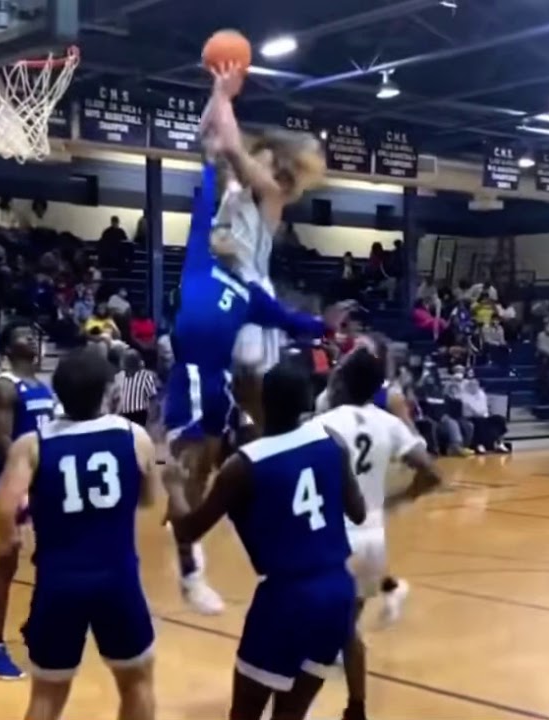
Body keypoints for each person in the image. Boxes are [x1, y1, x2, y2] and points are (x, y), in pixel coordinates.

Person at [162, 158, 344, 615]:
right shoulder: (199, 263)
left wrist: (325, 326)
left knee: (252, 461)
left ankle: (259, 543)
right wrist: (212, 159)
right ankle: (190, 570)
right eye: (222, 227)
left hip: (219, 386)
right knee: (191, 470)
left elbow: (291, 319)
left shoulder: (249, 295)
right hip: (191, 382)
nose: (226, 230)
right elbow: (206, 199)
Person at [164, 361, 367, 720]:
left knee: (245, 712)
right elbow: (359, 513)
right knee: (291, 713)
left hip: (286, 600)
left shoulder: (244, 465)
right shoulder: (332, 443)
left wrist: (176, 488)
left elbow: (188, 532)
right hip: (338, 592)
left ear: (261, 400)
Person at [0, 349, 158, 720]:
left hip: (58, 582)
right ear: (105, 393)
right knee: (137, 682)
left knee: (48, 693)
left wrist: (8, 538)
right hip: (118, 580)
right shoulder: (134, 436)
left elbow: (2, 507)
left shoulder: (32, 443)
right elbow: (148, 501)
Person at [312, 349, 444, 720]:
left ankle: (297, 706)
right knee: (345, 630)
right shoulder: (388, 423)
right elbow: (432, 473)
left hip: (334, 537)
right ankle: (356, 709)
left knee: (316, 629)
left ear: (342, 382)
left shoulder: (326, 422)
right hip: (372, 539)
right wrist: (400, 498)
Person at [201, 62, 327, 408]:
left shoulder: (272, 193)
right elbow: (211, 137)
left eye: (265, 160)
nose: (257, 163)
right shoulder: (235, 189)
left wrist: (225, 95)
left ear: (279, 170)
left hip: (250, 291)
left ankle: (266, 447)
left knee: (252, 385)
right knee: (221, 389)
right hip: (224, 289)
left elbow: (229, 145)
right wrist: (217, 94)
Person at [0, 321, 61, 680]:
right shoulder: (6, 385)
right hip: (16, 483)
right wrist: (22, 483)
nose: (32, 337)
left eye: (32, 333)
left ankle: (35, 625)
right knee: (7, 563)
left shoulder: (40, 385)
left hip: (44, 481)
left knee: (52, 557)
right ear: (8, 349)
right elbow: (2, 438)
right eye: (22, 336)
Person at [112, 351, 158, 427]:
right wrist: (153, 412)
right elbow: (152, 395)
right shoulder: (145, 375)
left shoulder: (118, 376)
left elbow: (115, 397)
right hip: (139, 412)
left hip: (125, 412)